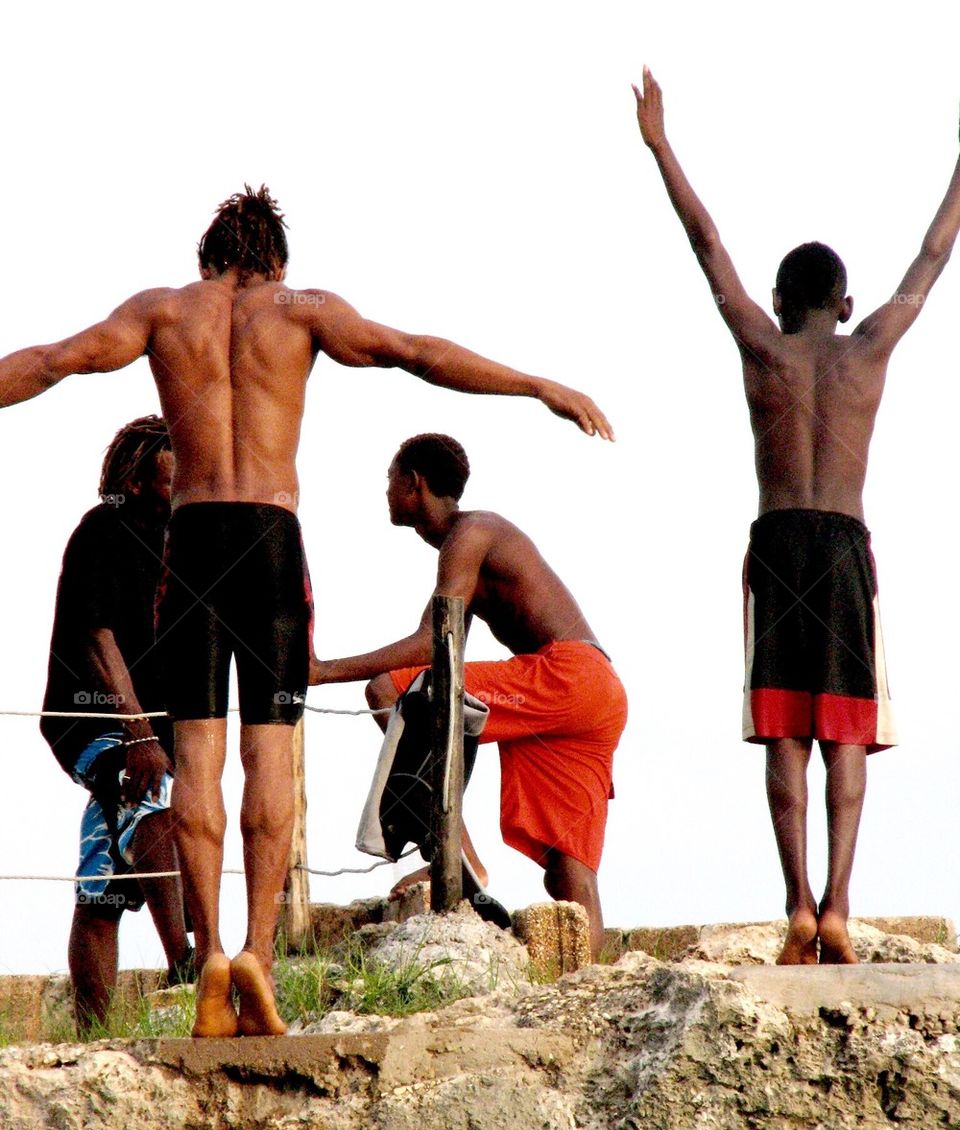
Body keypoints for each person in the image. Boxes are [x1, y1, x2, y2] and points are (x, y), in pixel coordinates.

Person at [0, 186, 614, 1035]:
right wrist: (535, 385)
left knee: (199, 759)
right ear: (276, 261)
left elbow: (53, 360)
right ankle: (256, 950)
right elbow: (416, 351)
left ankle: (211, 954)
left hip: (196, 543)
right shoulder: (302, 310)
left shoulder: (163, 312)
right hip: (270, 545)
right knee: (271, 759)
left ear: (208, 258)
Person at [634, 68, 960, 964]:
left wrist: (661, 142)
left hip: (778, 543)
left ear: (781, 302)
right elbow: (931, 262)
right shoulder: (869, 347)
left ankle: (797, 912)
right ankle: (843, 907)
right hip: (844, 545)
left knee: (783, 724)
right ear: (845, 303)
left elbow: (707, 246)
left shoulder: (760, 345)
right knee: (845, 722)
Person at [309, 433, 628, 960]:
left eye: (390, 480)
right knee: (567, 869)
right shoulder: (474, 540)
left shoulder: (470, 532)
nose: (385, 491)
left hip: (564, 675)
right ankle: (587, 989)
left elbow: (430, 642)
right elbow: (448, 648)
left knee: (390, 689)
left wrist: (322, 671)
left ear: (413, 484)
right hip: (596, 689)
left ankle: (459, 860)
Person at [41, 416, 193, 1033]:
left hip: (159, 724)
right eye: (173, 456)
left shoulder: (182, 536)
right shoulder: (103, 529)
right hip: (96, 717)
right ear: (137, 472)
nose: (187, 464)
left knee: (101, 888)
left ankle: (91, 1036)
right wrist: (140, 734)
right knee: (150, 801)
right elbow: (97, 637)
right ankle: (186, 962)